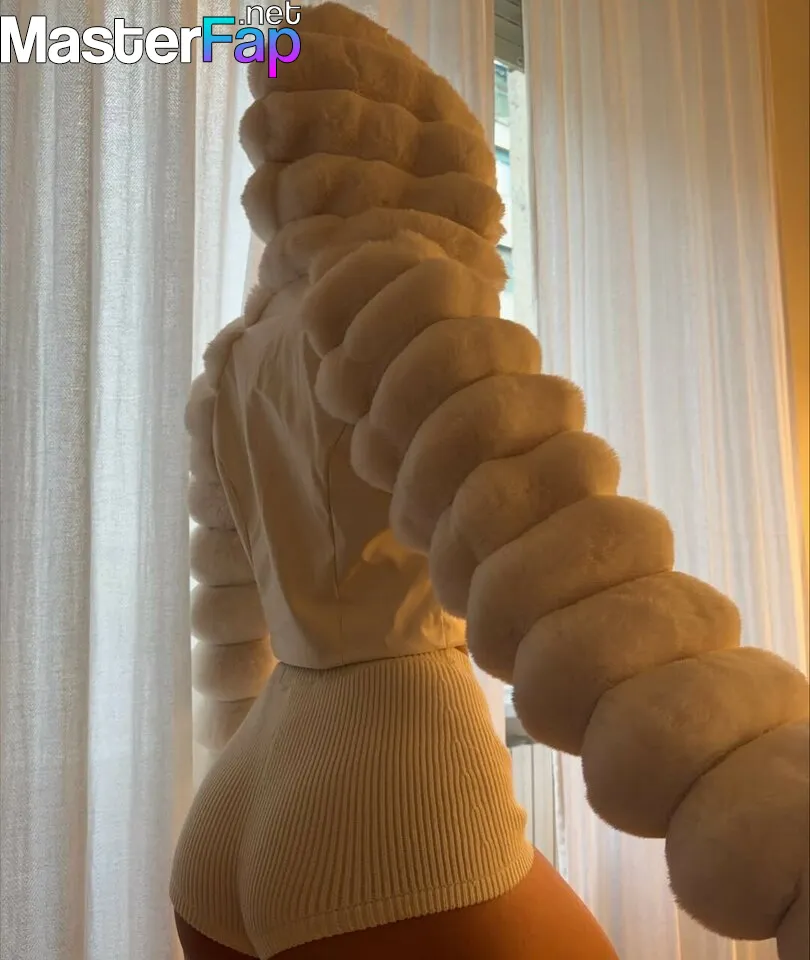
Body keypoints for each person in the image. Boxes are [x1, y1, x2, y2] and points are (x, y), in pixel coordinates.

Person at [172, 5, 810, 959]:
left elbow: (231, 606)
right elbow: (566, 557)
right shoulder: (402, 288)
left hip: (244, 799)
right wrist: (761, 805)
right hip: (393, 782)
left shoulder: (237, 353)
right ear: (423, 144)